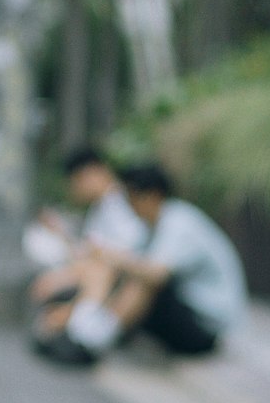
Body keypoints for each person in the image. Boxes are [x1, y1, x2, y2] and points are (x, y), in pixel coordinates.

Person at [34, 161, 246, 366]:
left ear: (152, 195)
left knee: (144, 280)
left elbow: (156, 274)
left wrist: (112, 257)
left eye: (131, 198)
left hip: (207, 327)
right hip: (187, 313)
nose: (129, 206)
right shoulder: (152, 226)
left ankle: (91, 340)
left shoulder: (178, 222)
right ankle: (82, 332)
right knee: (123, 271)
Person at [24, 146, 141, 316]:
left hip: (117, 284)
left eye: (74, 183)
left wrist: (65, 279)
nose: (73, 190)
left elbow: (119, 257)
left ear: (89, 174)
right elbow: (88, 252)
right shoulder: (100, 207)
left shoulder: (124, 202)